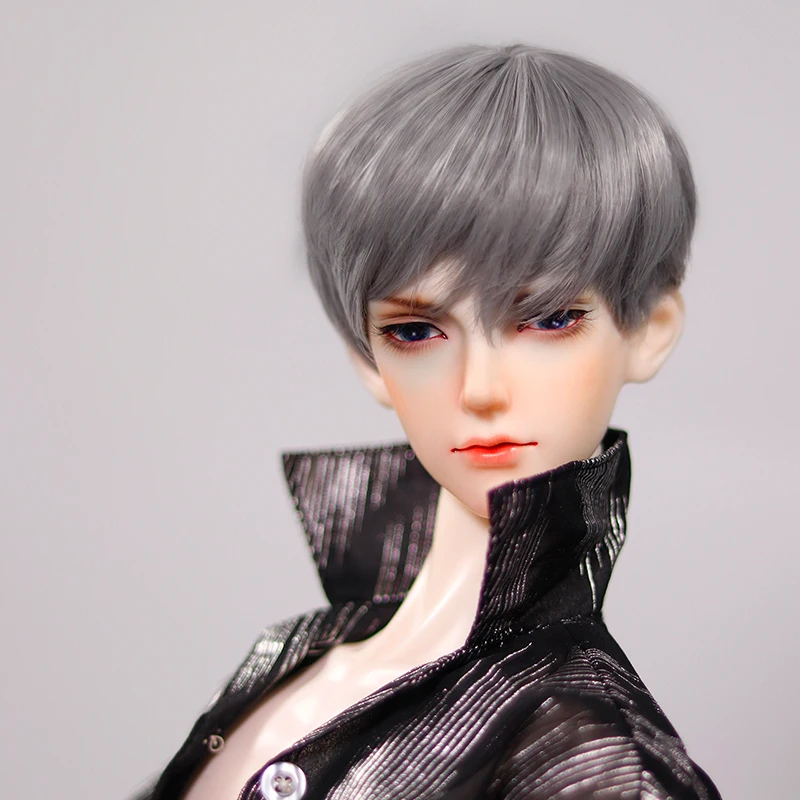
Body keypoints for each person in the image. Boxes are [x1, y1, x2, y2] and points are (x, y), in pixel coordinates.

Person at [135, 44, 721, 799]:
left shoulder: (593, 756)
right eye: (416, 331)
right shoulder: (297, 654)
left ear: (649, 330)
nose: (479, 389)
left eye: (548, 319)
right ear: (367, 358)